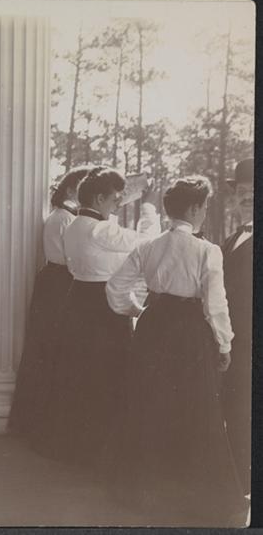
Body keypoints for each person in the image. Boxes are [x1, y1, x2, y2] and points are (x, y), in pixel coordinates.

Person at [103, 176, 246, 525]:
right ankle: (192, 494)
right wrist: (225, 343)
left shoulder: (148, 246)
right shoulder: (207, 250)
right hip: (188, 335)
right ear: (195, 209)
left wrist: (136, 311)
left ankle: (145, 489)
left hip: (153, 328)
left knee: (150, 403)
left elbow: (116, 286)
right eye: (205, 206)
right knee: (194, 409)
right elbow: (216, 305)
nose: (205, 212)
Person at [32, 166, 159, 466]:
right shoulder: (100, 230)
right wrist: (149, 207)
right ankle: (98, 452)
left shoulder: (75, 224)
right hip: (103, 311)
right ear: (100, 198)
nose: (118, 204)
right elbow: (148, 240)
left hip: (77, 303)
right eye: (115, 199)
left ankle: (74, 447)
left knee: (78, 378)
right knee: (106, 379)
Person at [8, 168, 89, 438]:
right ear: (71, 190)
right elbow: (73, 258)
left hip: (53, 281)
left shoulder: (62, 216)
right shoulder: (65, 219)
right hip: (60, 283)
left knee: (46, 347)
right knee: (52, 347)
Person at [221, 158, 254, 494]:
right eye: (241, 191)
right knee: (234, 409)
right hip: (232, 340)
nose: (246, 197)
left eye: (254, 191)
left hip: (251, 342)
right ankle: (238, 480)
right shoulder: (231, 239)